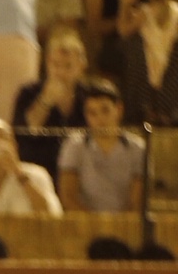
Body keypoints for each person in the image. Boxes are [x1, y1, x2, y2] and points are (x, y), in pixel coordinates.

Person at [13, 29, 90, 185]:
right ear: (47, 62)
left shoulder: (89, 95)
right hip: (38, 168)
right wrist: (45, 101)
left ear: (81, 66)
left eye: (68, 66)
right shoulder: (29, 92)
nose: (60, 72)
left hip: (80, 171)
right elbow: (30, 130)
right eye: (55, 64)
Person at [57, 79, 144, 212]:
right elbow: (68, 197)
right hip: (84, 225)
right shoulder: (74, 145)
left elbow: (136, 202)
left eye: (105, 111)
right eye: (92, 113)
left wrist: (116, 227)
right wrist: (95, 225)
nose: (100, 119)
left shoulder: (137, 148)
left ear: (119, 110)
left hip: (125, 226)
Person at [122, 0, 178, 125]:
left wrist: (125, 2)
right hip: (168, 70)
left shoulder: (144, 12)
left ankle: (147, 113)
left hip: (150, 67)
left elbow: (124, 31)